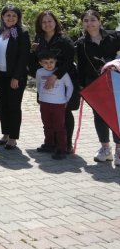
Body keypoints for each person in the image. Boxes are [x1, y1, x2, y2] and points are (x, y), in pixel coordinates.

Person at [74, 10, 120, 163]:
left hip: (116, 83)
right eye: (86, 20)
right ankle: (105, 149)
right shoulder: (81, 43)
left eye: (93, 19)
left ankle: (119, 149)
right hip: (95, 84)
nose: (90, 23)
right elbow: (81, 65)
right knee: (99, 116)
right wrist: (81, 86)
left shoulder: (115, 37)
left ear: (100, 21)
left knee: (117, 115)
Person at [30, 11, 77, 152]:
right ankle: (51, 143)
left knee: (65, 112)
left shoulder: (64, 40)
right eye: (43, 22)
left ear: (55, 22)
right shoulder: (39, 39)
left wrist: (55, 75)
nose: (47, 24)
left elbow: (69, 61)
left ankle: (66, 144)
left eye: (50, 21)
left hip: (64, 79)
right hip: (46, 82)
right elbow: (35, 60)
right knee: (49, 115)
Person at [0, 5, 30, 150]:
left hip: (15, 77)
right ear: (3, 17)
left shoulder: (21, 33)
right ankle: (5, 134)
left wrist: (16, 77)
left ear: (18, 18)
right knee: (3, 106)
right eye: (8, 15)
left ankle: (13, 138)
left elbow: (23, 57)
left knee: (14, 107)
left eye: (14, 16)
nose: (11, 18)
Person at [36, 51, 73, 160]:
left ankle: (62, 149)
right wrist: (41, 96)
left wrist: (66, 100)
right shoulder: (39, 72)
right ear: (40, 63)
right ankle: (49, 144)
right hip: (44, 103)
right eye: (45, 62)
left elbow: (70, 86)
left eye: (51, 62)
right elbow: (38, 85)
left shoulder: (61, 73)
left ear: (56, 61)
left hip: (58, 104)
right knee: (47, 125)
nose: (49, 64)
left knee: (59, 127)